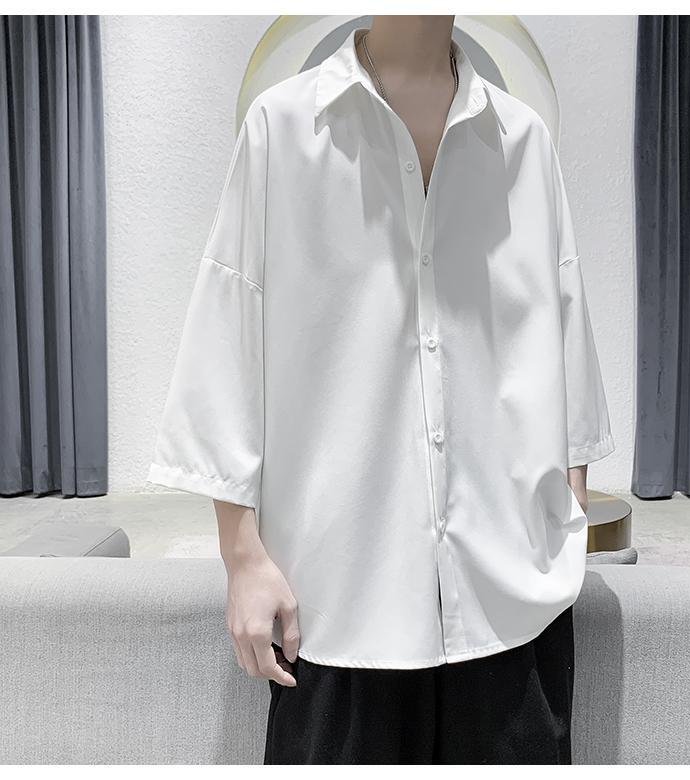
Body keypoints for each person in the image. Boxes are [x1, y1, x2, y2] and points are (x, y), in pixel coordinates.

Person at [147, 15, 615, 765]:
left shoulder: (523, 142)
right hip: (335, 605)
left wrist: (566, 519)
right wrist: (242, 555)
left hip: (508, 608)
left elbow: (564, 339)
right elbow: (227, 334)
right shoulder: (283, 129)